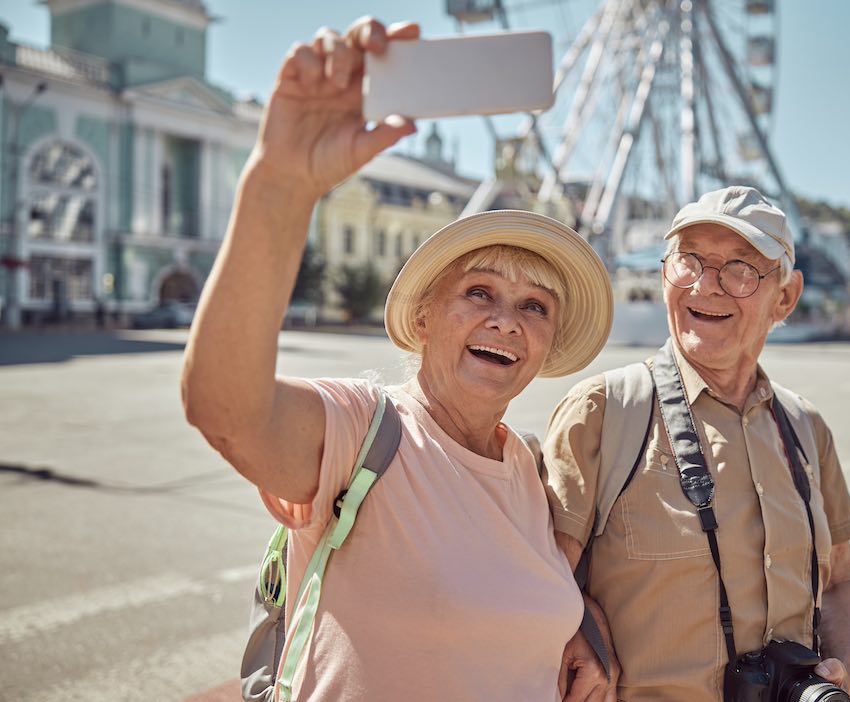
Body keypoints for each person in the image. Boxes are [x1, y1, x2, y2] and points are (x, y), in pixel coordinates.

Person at [181, 18, 615, 700]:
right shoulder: (364, 432)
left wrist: (576, 628)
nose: (506, 319)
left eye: (535, 306)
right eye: (479, 292)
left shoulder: (527, 472)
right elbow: (225, 408)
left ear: (548, 344)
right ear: (422, 317)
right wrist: (282, 185)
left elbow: (502, 606)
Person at [543, 186, 850, 700]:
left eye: (740, 269)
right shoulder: (604, 412)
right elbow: (537, 579)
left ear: (785, 297)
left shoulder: (805, 426)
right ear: (664, 275)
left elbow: (843, 583)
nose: (706, 286)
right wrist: (583, 621)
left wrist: (841, 671)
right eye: (688, 262)